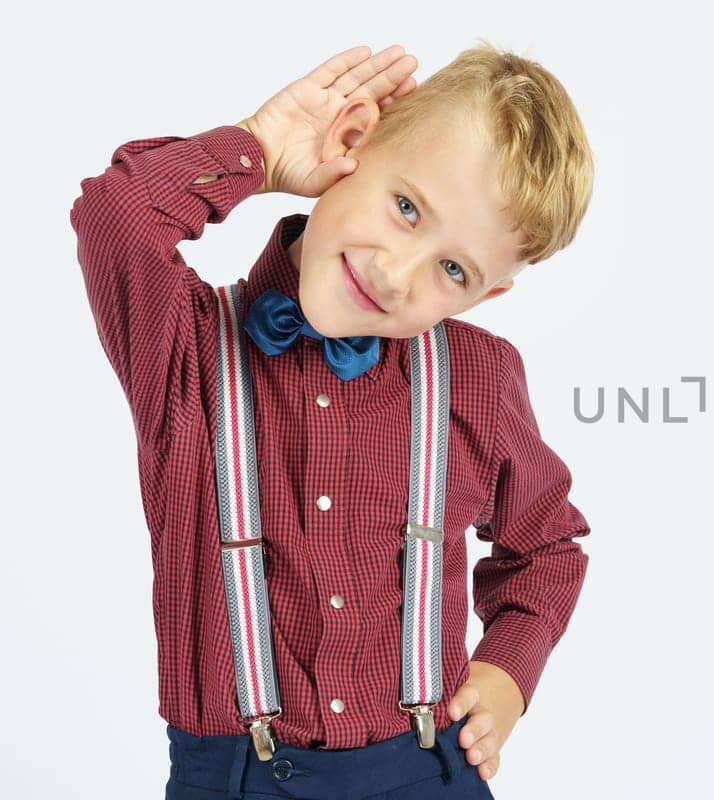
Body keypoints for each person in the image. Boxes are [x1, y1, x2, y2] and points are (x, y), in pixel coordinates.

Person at [69, 41, 595, 798]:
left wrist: (510, 667)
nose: (393, 271)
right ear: (351, 143)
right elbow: (113, 213)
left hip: (430, 767)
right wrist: (257, 148)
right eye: (406, 207)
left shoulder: (478, 377)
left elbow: (547, 544)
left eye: (453, 269)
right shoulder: (183, 347)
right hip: (236, 775)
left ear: (480, 298)